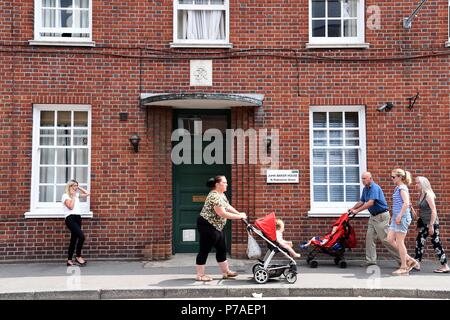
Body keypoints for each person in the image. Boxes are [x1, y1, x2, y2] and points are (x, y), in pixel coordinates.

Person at [195, 176, 247, 281]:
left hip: (217, 226)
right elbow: (222, 213)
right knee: (204, 249)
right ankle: (200, 275)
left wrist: (239, 213)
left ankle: (226, 272)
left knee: (222, 248)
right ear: (217, 184)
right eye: (224, 182)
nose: (227, 184)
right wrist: (239, 216)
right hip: (207, 225)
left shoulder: (221, 194)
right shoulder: (214, 196)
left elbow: (227, 206)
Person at [348, 172, 401, 266]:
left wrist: (357, 211)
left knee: (386, 240)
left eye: (364, 178)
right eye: (362, 179)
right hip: (373, 217)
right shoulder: (365, 189)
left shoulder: (375, 188)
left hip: (381, 216)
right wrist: (353, 208)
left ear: (370, 178)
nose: (362, 181)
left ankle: (403, 260)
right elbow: (362, 201)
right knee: (370, 238)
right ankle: (371, 261)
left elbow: (370, 203)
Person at [411, 176, 449, 273]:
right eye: (415, 183)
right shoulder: (422, 194)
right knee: (419, 241)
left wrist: (431, 225)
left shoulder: (428, 195)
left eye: (418, 183)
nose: (416, 185)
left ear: (423, 184)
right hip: (424, 223)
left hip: (431, 223)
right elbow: (422, 211)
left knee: (436, 244)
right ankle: (417, 263)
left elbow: (433, 210)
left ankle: (445, 266)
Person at [386, 169, 419, 276]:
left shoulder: (402, 188)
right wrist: (395, 216)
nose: (392, 178)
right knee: (389, 239)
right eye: (391, 176)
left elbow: (406, 203)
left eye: (393, 177)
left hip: (402, 218)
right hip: (396, 218)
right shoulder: (397, 188)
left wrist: (400, 216)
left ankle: (404, 267)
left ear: (400, 177)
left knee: (400, 242)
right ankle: (410, 260)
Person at [63, 180, 90, 267]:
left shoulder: (77, 195)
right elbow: (70, 207)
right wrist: (73, 197)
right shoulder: (65, 196)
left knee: (73, 240)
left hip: (78, 218)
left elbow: (87, 193)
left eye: (76, 186)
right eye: (74, 186)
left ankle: (69, 260)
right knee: (81, 237)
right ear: (69, 186)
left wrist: (79, 187)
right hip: (70, 218)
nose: (75, 188)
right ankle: (78, 257)